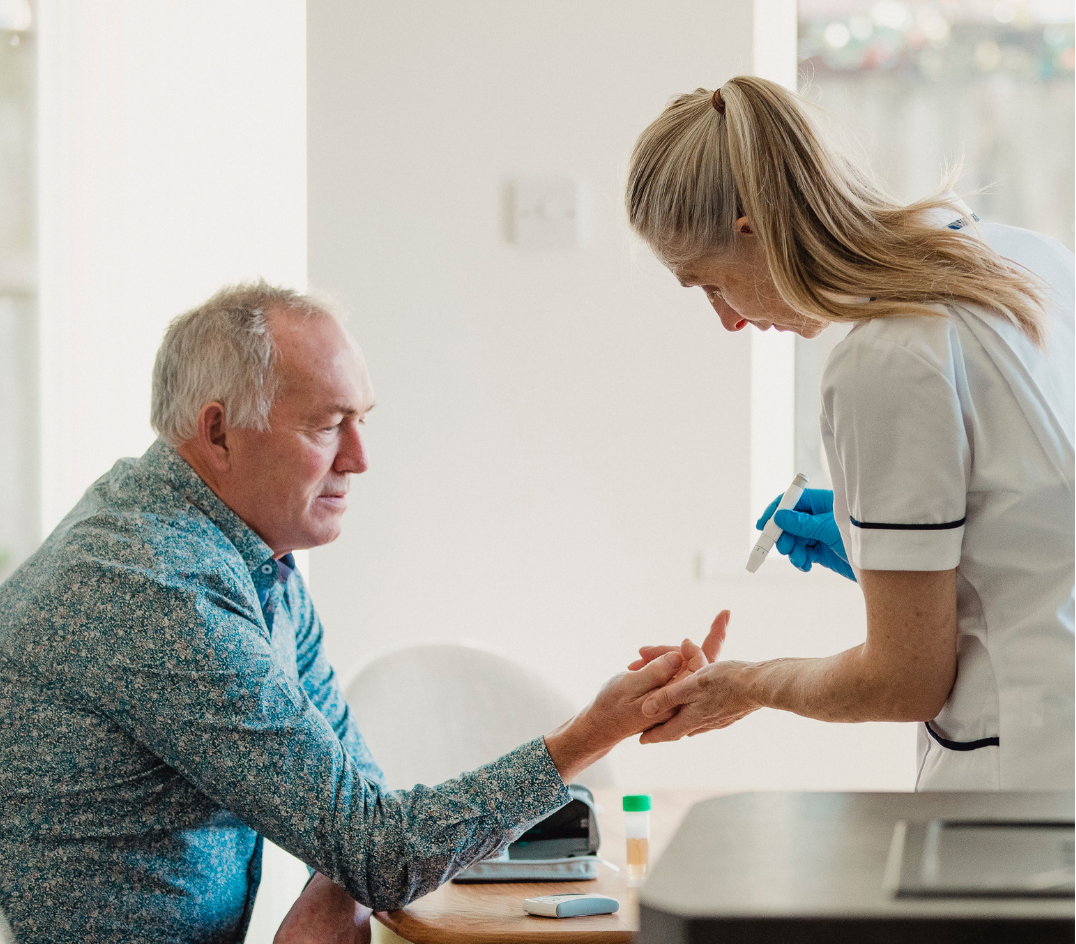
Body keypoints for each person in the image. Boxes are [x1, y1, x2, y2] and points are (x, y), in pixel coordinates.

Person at [0, 282, 700, 944]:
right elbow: (381, 851)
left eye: (361, 421)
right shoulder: (156, 587)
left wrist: (338, 883)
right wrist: (590, 734)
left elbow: (356, 810)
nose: (361, 459)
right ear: (219, 433)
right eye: (329, 426)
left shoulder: (247, 551)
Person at [623, 76, 1074, 791]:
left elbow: (902, 684)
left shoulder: (884, 357)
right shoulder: (1028, 259)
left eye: (710, 283)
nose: (728, 320)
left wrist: (744, 684)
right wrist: (887, 547)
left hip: (1026, 790)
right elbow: (1036, 526)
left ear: (755, 233)